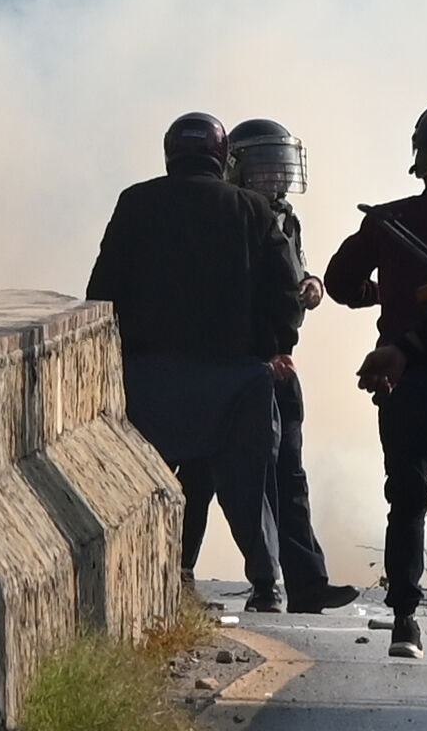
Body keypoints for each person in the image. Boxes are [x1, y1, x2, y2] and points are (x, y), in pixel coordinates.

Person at [87, 112, 305, 611]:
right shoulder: (252, 208)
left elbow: (101, 291)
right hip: (236, 380)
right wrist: (278, 350)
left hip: (151, 377)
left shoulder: (136, 202)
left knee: (152, 483)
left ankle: (160, 583)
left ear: (170, 155)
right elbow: (285, 293)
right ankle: (267, 586)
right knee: (249, 488)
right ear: (222, 157)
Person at [325, 100, 427, 663]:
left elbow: (339, 281)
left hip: (401, 377)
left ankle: (403, 623)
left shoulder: (388, 219)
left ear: (421, 155)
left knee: (406, 498)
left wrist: (383, 297)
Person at [225, 117, 361, 614]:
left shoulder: (287, 217)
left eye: (279, 166)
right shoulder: (233, 215)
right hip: (251, 361)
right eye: (262, 167)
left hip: (283, 359)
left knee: (290, 473)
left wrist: (313, 285)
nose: (275, 177)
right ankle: (265, 583)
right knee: (252, 474)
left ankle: (307, 581)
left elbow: (291, 273)